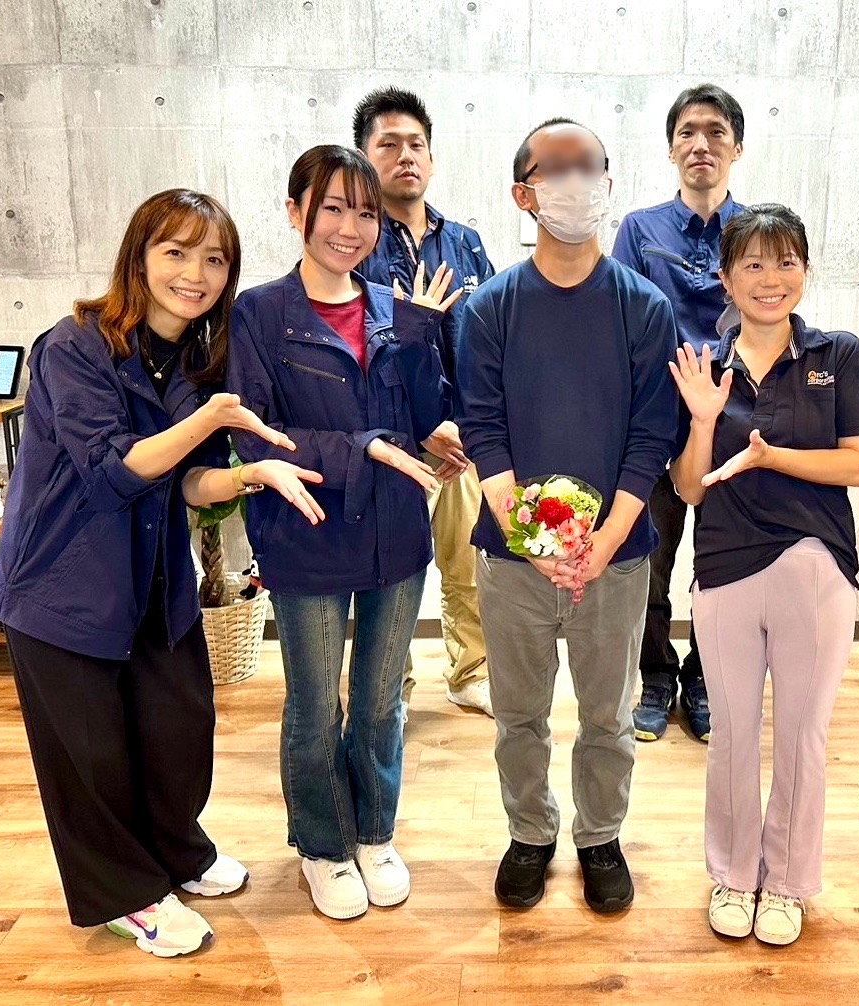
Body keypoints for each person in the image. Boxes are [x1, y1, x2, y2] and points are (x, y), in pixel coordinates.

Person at [0, 188, 324, 958]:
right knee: (90, 754)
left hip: (153, 580)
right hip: (62, 586)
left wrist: (252, 474)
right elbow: (114, 473)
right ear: (138, 258)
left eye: (214, 259)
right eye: (175, 252)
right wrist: (208, 419)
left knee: (179, 726)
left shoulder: (199, 363)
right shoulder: (73, 347)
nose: (194, 274)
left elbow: (191, 482)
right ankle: (125, 895)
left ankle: (176, 850)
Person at [228, 145, 458, 922]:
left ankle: (374, 833)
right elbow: (256, 434)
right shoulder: (260, 314)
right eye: (332, 208)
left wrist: (424, 350)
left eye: (365, 212)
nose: (350, 227)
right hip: (308, 529)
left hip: (396, 532)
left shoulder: (395, 309)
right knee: (314, 706)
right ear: (296, 212)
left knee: (381, 700)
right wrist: (365, 448)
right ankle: (323, 845)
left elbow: (424, 418)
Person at [457, 118, 678, 914]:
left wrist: (603, 541)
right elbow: (482, 429)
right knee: (518, 715)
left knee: (607, 717)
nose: (574, 180)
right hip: (513, 557)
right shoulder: (489, 307)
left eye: (588, 164)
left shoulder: (643, 307)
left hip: (614, 556)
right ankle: (529, 832)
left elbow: (652, 433)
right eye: (555, 167)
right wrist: (535, 540)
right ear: (524, 193)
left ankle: (599, 836)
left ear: (608, 183)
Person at [668, 204, 859, 945]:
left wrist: (769, 457)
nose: (771, 278)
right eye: (753, 264)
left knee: (801, 734)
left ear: (805, 270)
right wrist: (703, 420)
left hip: (815, 562)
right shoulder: (701, 364)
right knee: (731, 733)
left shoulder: (838, 354)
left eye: (785, 261)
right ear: (726, 279)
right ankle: (733, 874)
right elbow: (689, 488)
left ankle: (787, 882)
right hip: (723, 565)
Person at [352, 86, 498, 716]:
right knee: (392, 572)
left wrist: (477, 426)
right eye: (388, 144)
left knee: (469, 564)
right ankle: (395, 682)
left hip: (463, 440)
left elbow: (493, 339)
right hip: (393, 441)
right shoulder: (353, 243)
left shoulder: (465, 242)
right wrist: (419, 423)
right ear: (364, 159)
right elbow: (357, 346)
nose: (405, 155)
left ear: (432, 159)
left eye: (416, 144)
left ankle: (471, 673)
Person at [613, 83, 746, 743]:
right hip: (656, 424)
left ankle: (703, 678)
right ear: (670, 149)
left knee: (722, 567)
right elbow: (617, 324)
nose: (701, 144)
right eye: (687, 132)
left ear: (736, 148)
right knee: (650, 563)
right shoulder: (640, 230)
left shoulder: (755, 230)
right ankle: (655, 676)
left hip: (734, 423)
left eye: (716, 132)